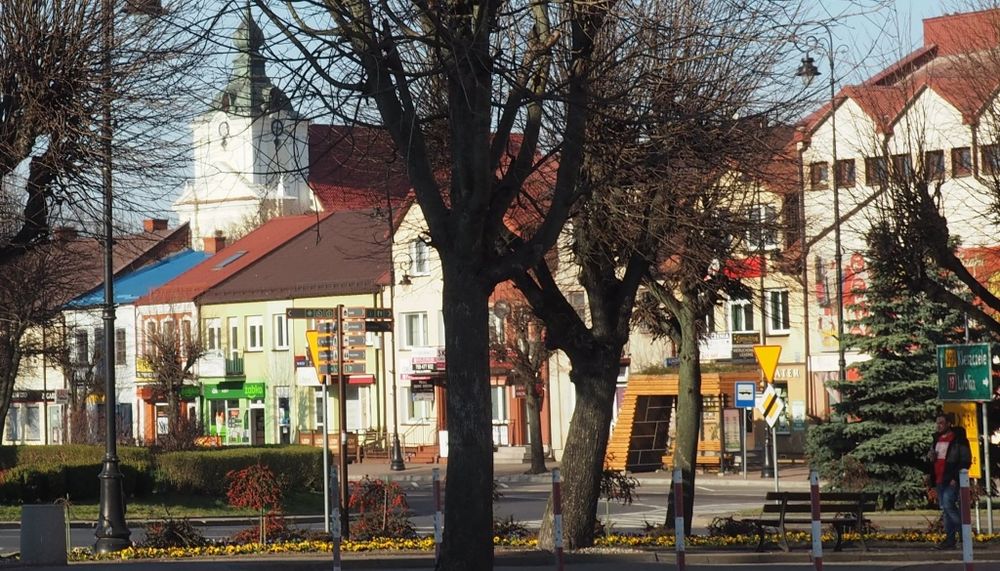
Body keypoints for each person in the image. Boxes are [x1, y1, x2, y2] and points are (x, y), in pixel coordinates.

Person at [926, 413, 972, 549]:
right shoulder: (937, 439)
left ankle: (964, 533)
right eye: (937, 423)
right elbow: (935, 459)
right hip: (939, 478)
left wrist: (955, 477)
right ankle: (950, 540)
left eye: (941, 423)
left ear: (948, 424)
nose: (938, 426)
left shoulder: (959, 440)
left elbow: (965, 460)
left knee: (948, 505)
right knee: (945, 510)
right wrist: (931, 458)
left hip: (951, 478)